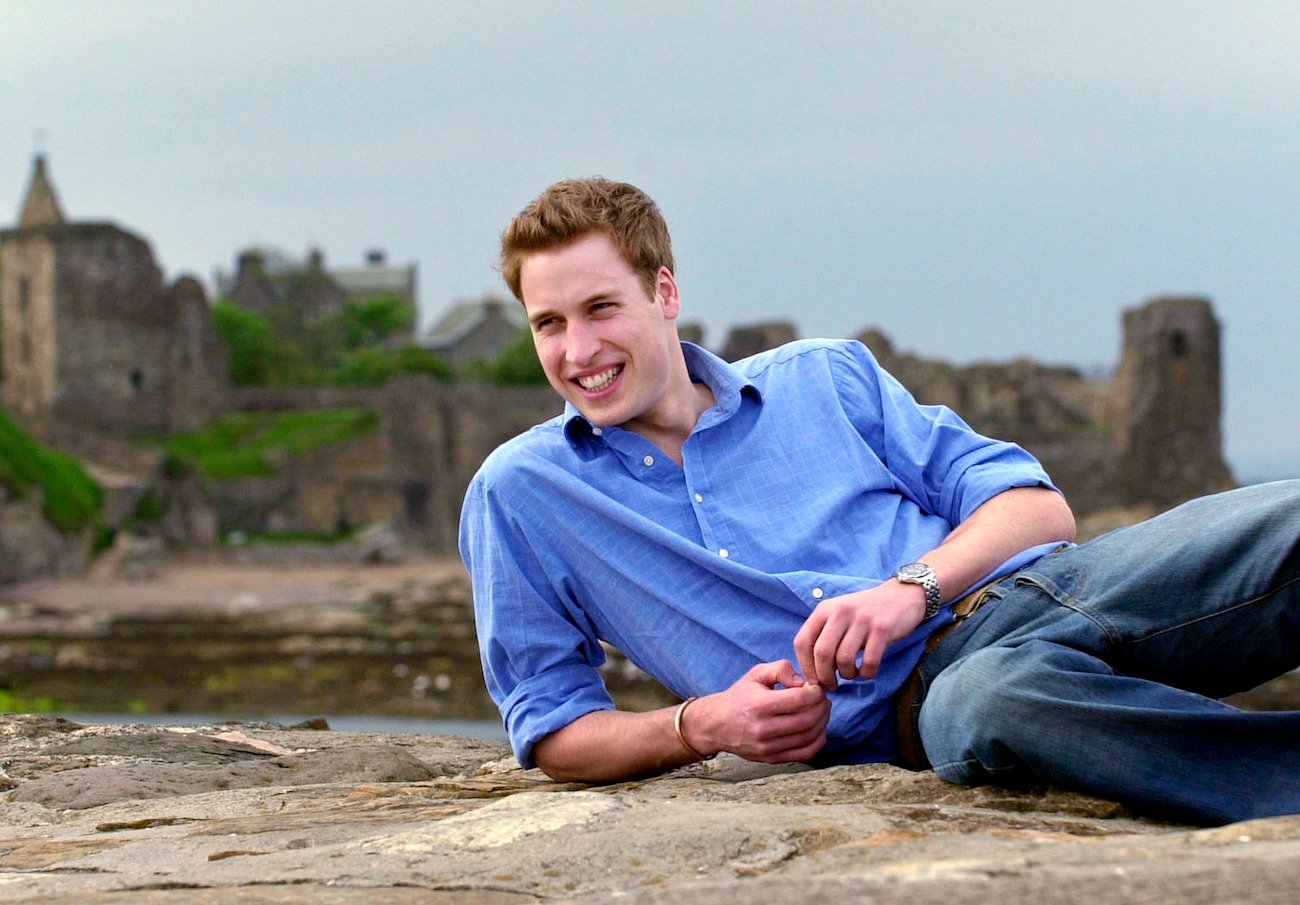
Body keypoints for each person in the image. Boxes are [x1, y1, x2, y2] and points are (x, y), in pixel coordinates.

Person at [459, 177, 1299, 826]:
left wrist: (909, 590)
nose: (578, 349)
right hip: (933, 707)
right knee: (996, 702)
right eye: (548, 323)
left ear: (665, 293)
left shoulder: (825, 375)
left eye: (601, 307)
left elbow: (1037, 509)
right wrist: (700, 725)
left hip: (1055, 587)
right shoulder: (522, 493)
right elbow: (550, 729)